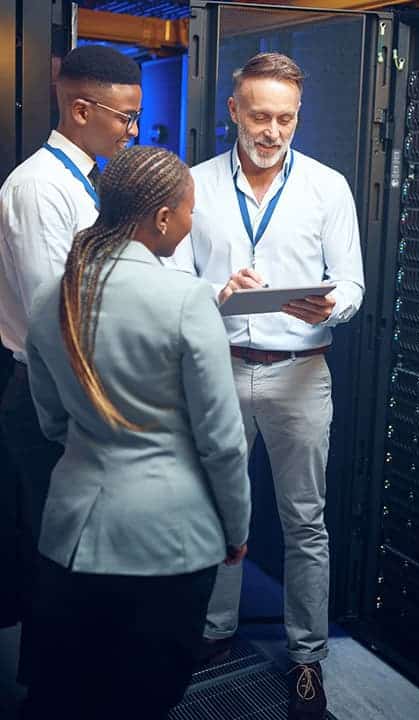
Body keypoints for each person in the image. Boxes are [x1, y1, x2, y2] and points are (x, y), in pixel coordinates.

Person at [24, 145, 251, 720]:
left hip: (71, 534)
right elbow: (222, 441)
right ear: (163, 218)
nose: (192, 221)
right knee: (144, 698)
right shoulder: (185, 299)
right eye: (190, 210)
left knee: (69, 693)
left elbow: (50, 420)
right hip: (168, 541)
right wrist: (236, 528)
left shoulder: (54, 295)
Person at [172, 52, 365, 720]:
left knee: (305, 521)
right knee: (220, 512)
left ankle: (307, 659)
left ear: (297, 117)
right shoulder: (194, 185)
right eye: (260, 115)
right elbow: (168, 281)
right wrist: (214, 292)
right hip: (219, 367)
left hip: (300, 373)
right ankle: (215, 637)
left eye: (285, 118)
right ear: (234, 111)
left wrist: (331, 306)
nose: (272, 130)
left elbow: (353, 283)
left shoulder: (327, 188)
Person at [0, 44, 142, 686]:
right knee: (56, 550)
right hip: (46, 392)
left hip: (76, 387)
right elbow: (52, 314)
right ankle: (52, 691)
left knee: (81, 547)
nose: (132, 130)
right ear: (82, 109)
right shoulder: (37, 187)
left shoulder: (84, 180)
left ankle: (78, 676)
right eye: (124, 117)